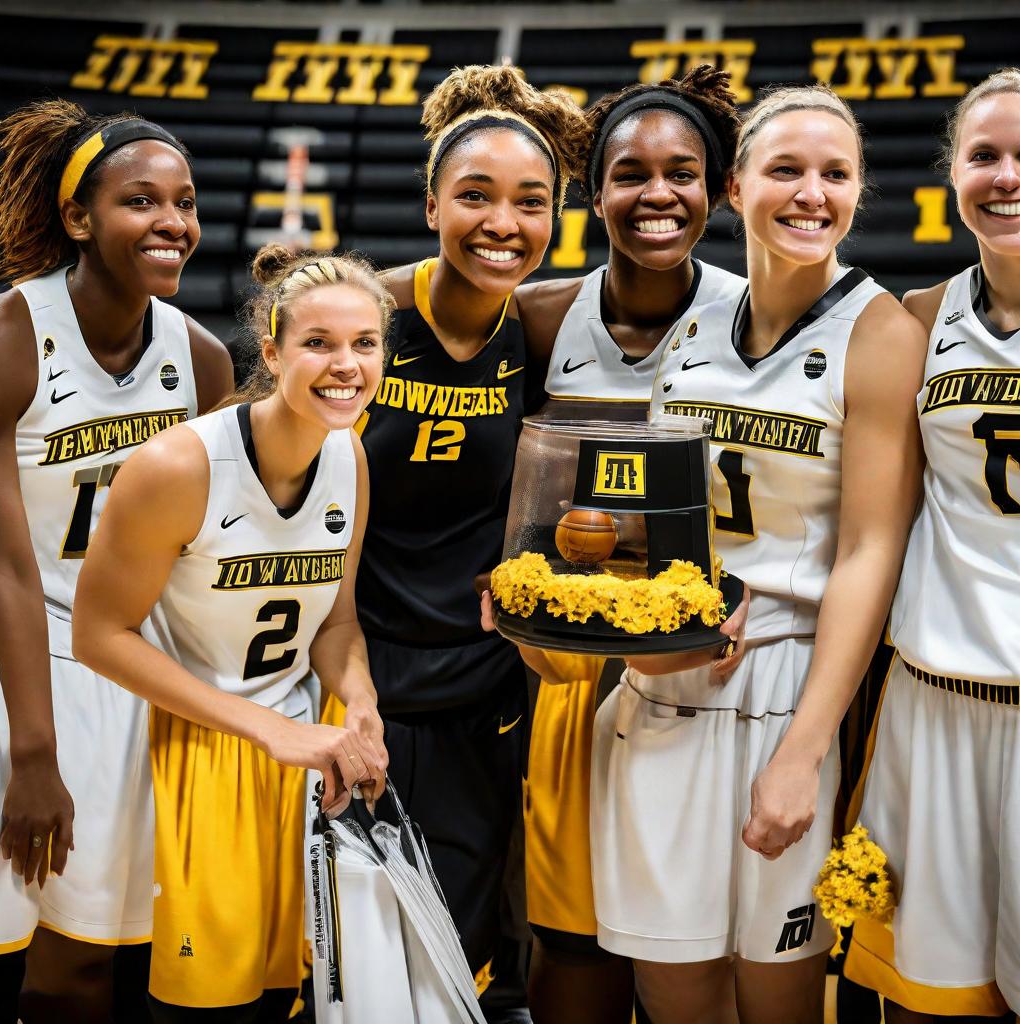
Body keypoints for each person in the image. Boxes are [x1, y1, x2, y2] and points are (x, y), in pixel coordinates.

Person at [589, 85, 927, 1024]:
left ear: (861, 192)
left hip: (787, 687)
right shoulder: (694, 322)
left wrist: (801, 754)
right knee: (673, 985)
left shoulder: (881, 332)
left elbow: (869, 551)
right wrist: (598, 606)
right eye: (786, 170)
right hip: (664, 679)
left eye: (835, 174)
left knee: (776, 992)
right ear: (736, 188)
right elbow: (656, 516)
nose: (811, 193)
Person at [72, 244, 390, 1021]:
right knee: (205, 1009)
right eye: (319, 343)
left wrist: (361, 699)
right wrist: (268, 730)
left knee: (290, 999)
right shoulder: (178, 467)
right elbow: (99, 634)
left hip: (299, 759)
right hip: (190, 752)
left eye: (365, 344)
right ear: (273, 351)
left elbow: (335, 618)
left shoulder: (350, 454)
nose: (345, 365)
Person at [333, 63, 587, 982]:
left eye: (530, 201)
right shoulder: (361, 317)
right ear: (432, 203)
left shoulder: (550, 326)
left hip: (484, 684)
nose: (502, 224)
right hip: (353, 675)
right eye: (474, 196)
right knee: (354, 954)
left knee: (459, 949)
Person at [512, 67, 745, 1024]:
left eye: (681, 173)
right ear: (594, 191)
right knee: (574, 949)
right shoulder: (537, 317)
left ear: (718, 188)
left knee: (701, 959)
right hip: (570, 675)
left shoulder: (757, 315)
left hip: (713, 676)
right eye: (630, 174)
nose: (657, 195)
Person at [0, 100, 233, 1024]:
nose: (173, 221)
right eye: (142, 200)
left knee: (86, 963)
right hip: (17, 667)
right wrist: (34, 752)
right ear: (79, 218)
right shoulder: (14, 337)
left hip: (129, 671)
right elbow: (7, 568)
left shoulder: (203, 361)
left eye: (185, 200)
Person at [846, 69, 1020, 1024]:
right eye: (984, 155)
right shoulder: (917, 320)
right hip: (936, 699)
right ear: (951, 172)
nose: (1005, 176)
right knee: (926, 1001)